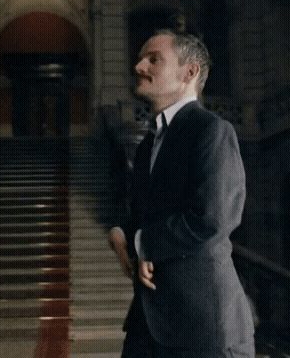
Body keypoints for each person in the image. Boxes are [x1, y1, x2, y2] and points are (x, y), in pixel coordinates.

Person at [108, 29, 254, 357]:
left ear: (189, 72)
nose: (139, 66)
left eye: (153, 59)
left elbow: (211, 220)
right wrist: (122, 233)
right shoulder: (147, 145)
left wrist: (142, 243)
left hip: (201, 325)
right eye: (140, 58)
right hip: (148, 323)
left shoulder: (212, 130)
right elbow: (146, 218)